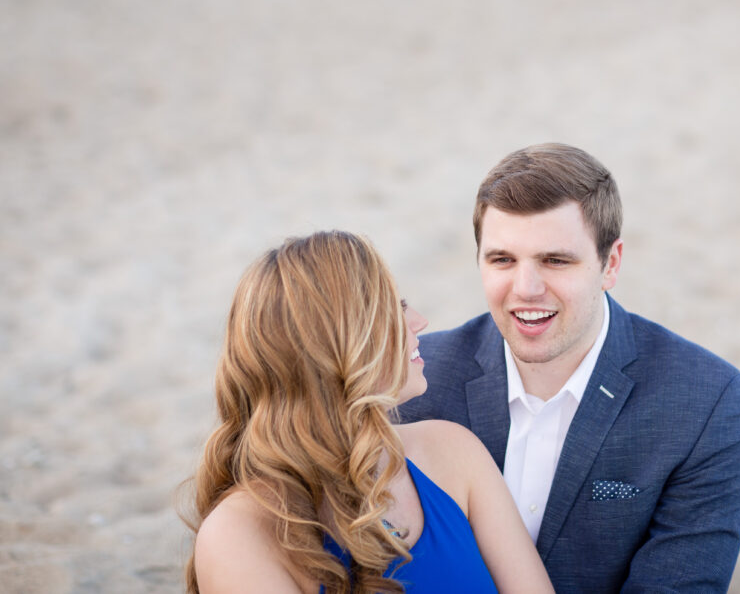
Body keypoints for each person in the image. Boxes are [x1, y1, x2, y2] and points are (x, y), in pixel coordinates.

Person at [399, 144, 740, 592]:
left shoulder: (707, 401)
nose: (525, 289)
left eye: (556, 260)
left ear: (611, 264)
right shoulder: (413, 382)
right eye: (502, 260)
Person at [182, 231, 554, 594]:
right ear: (335, 346)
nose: (419, 321)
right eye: (395, 308)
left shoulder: (453, 450)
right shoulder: (240, 533)